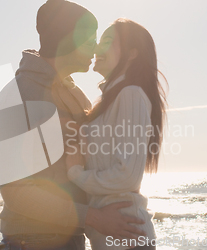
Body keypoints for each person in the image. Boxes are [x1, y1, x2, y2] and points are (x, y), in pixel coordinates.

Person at [0, 2, 147, 250]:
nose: (96, 47)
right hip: (33, 243)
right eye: (90, 38)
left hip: (73, 241)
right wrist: (95, 218)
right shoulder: (16, 97)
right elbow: (16, 192)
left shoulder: (76, 95)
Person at [65, 18, 168, 250]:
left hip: (128, 238)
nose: (97, 48)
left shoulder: (131, 94)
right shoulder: (108, 100)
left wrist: (76, 174)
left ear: (132, 54)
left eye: (107, 42)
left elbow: (127, 175)